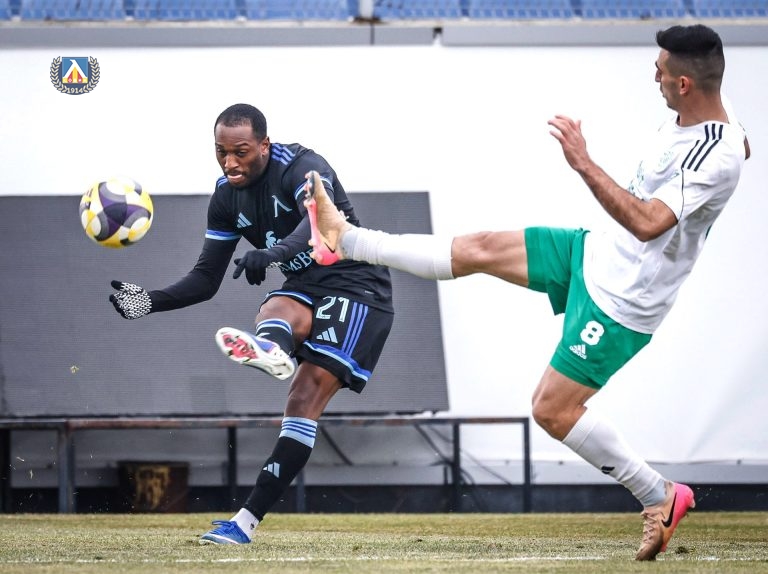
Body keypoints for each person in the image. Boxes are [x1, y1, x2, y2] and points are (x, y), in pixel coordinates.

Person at [303, 24, 750, 561]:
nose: (652, 77)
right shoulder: (711, 123)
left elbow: (649, 223)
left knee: (551, 410)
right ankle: (346, 239)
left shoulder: (715, 155)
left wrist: (583, 162)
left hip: (622, 303)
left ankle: (658, 494)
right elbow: (739, 143)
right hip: (591, 253)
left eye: (659, 72)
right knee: (482, 247)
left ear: (684, 84)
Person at [109, 103, 394, 544]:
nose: (229, 162)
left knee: (304, 395)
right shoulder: (226, 197)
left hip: (358, 287)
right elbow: (206, 279)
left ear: (264, 145)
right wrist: (150, 302)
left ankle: (244, 521)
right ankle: (273, 351)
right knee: (274, 310)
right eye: (220, 152)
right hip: (307, 283)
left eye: (240, 151)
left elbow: (318, 223)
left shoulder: (304, 167)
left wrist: (273, 254)